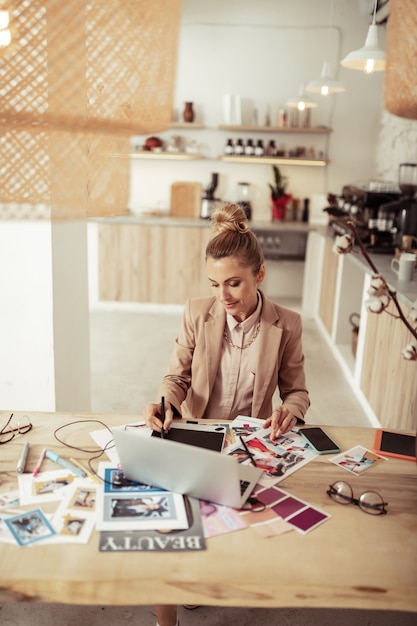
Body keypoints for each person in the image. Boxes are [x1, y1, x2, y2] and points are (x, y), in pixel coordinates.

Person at [143, 203, 310, 626]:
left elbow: (297, 391)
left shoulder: (287, 324)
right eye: (215, 283)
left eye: (234, 283)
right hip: (197, 432)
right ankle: (169, 617)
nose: (224, 296)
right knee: (171, 519)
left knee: (248, 523)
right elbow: (175, 377)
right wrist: (165, 402)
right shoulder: (198, 313)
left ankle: (216, 571)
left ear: (260, 274)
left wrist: (290, 410)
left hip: (248, 440)